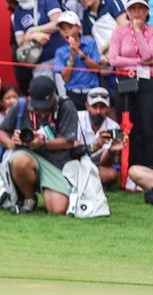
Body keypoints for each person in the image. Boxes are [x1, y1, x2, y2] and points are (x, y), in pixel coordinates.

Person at [0, 76, 79, 214]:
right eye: (37, 106)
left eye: (44, 106)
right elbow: (0, 131)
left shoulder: (66, 106)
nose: (41, 111)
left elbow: (69, 142)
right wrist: (11, 142)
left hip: (57, 163)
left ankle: (47, 188)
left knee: (57, 210)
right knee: (19, 160)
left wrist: (43, 143)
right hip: (28, 156)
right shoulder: (21, 104)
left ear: (53, 96)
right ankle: (29, 197)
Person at [108, 0, 153, 168]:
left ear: (147, 12)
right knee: (128, 125)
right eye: (133, 8)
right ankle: (131, 169)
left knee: (147, 126)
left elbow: (149, 55)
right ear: (126, 12)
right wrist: (140, 61)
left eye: (141, 8)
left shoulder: (151, 32)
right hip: (125, 82)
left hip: (147, 82)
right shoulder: (118, 32)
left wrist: (137, 31)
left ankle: (149, 168)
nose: (136, 12)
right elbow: (114, 59)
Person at [54, 10, 101, 109]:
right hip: (72, 94)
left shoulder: (90, 42)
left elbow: (97, 68)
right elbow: (65, 78)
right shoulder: (60, 52)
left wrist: (79, 52)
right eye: (62, 29)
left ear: (79, 27)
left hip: (91, 92)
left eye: (70, 27)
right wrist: (71, 57)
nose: (66, 31)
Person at [76, 86, 123, 185]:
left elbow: (104, 164)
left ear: (109, 108)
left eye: (102, 107)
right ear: (87, 106)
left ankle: (82, 181)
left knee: (111, 174)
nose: (98, 111)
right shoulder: (77, 119)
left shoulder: (113, 127)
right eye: (94, 106)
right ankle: (86, 181)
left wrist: (111, 150)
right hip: (76, 163)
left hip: (96, 167)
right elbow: (73, 152)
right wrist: (97, 145)